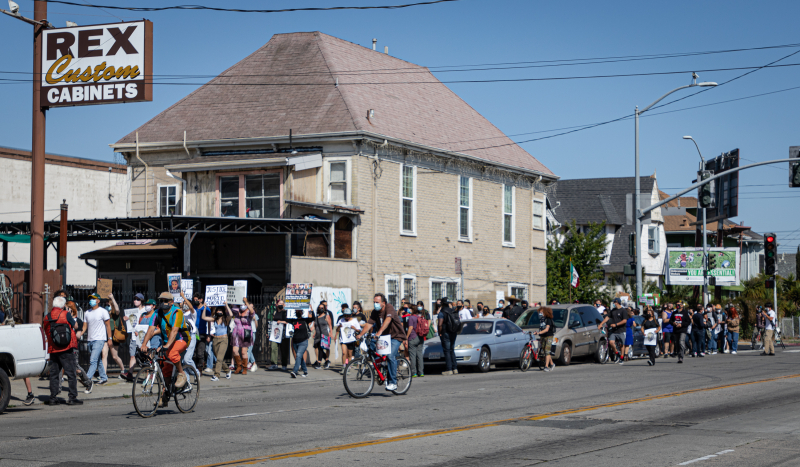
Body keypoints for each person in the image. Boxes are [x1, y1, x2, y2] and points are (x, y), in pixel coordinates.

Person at [141, 292, 190, 405]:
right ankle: (165, 397)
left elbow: (174, 330)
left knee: (172, 354)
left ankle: (182, 374)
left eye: (165, 300)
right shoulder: (157, 313)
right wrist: (144, 344)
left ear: (171, 302)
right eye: (161, 300)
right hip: (167, 342)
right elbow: (151, 329)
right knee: (165, 369)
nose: (163, 303)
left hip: (182, 339)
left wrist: (167, 346)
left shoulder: (177, 312)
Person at [357, 293, 406, 390]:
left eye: (377, 302)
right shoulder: (375, 312)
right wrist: (360, 334)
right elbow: (369, 324)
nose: (375, 304)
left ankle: (393, 382)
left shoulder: (389, 307)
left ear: (383, 303)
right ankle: (382, 367)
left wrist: (378, 333)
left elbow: (387, 320)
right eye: (374, 302)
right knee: (371, 346)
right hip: (384, 337)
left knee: (391, 355)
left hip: (396, 336)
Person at [43, 296, 83, 405]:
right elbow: (75, 326)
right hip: (67, 348)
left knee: (54, 374)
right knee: (71, 373)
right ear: (63, 306)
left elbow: (46, 331)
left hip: (53, 348)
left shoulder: (47, 317)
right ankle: (72, 397)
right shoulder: (66, 314)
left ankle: (52, 397)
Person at [83, 293, 113, 386]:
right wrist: (79, 333)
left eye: (93, 298)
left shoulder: (103, 311)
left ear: (98, 301)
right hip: (90, 340)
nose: (91, 300)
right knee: (98, 360)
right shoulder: (87, 312)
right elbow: (84, 326)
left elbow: (108, 326)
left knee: (93, 360)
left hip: (100, 339)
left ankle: (87, 379)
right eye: (90, 298)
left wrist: (110, 338)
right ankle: (104, 377)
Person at [66, 301, 93, 393]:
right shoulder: (64, 318)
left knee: (76, 367)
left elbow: (79, 335)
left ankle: (88, 382)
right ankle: (58, 389)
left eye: (67, 308)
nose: (65, 310)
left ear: (72, 310)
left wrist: (71, 331)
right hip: (65, 346)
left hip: (74, 346)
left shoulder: (78, 321)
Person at [202, 303, 232, 381]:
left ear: (223, 312)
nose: (219, 312)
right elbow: (203, 317)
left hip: (224, 339)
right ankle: (227, 371)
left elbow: (231, 314)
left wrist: (226, 305)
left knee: (219, 358)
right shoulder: (214, 319)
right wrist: (205, 308)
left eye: (220, 310)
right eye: (218, 310)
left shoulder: (226, 319)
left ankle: (216, 375)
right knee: (219, 358)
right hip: (215, 339)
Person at [121, 293, 147, 381]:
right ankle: (130, 374)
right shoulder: (132, 311)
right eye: (135, 299)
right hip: (133, 336)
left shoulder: (145, 311)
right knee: (132, 356)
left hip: (142, 337)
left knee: (145, 356)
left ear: (142, 301)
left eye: (138, 299)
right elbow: (131, 324)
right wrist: (126, 319)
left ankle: (148, 375)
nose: (136, 301)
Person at [105, 294, 128, 379]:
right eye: (106, 304)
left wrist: (112, 298)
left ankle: (123, 370)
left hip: (113, 335)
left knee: (114, 356)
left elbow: (117, 309)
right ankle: (103, 374)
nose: (107, 306)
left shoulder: (115, 314)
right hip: (105, 335)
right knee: (104, 355)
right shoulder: (104, 313)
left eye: (108, 304)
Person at [230, 298, 255, 375]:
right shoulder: (236, 311)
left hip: (245, 333)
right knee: (234, 350)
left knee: (244, 352)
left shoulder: (248, 312)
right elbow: (229, 311)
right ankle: (239, 366)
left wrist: (246, 302)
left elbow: (252, 312)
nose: (242, 306)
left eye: (244, 304)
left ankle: (244, 368)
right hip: (236, 333)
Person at [179, 290, 200, 375]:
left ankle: (196, 372)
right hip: (183, 337)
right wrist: (180, 307)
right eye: (183, 303)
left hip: (191, 336)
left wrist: (184, 297)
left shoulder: (192, 313)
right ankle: (186, 381)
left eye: (185, 303)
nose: (184, 304)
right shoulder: (181, 313)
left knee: (187, 359)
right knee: (183, 360)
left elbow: (191, 308)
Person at [288, 308, 314, 378]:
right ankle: (305, 371)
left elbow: (312, 318)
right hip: (295, 342)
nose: (298, 312)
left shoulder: (305, 320)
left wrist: (311, 309)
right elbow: (286, 319)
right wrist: (285, 309)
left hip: (303, 342)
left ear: (302, 312)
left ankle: (295, 371)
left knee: (298, 356)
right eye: (297, 311)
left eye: (299, 311)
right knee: (300, 358)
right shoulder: (293, 320)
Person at [334, 305, 361, 371]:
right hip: (343, 339)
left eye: (348, 315)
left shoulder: (354, 321)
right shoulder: (341, 320)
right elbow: (337, 330)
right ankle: (343, 366)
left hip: (351, 339)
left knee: (349, 354)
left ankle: (348, 367)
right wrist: (337, 330)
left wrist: (354, 328)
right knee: (344, 353)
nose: (347, 317)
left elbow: (359, 330)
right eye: (345, 315)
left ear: (351, 314)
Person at [437, 298, 459, 376]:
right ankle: (455, 368)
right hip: (453, 332)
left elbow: (440, 324)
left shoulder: (442, 312)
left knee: (447, 350)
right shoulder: (453, 310)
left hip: (445, 332)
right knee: (452, 350)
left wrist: (440, 333)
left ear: (442, 304)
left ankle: (449, 369)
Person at [192, 294, 214, 375]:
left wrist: (208, 334)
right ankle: (194, 368)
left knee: (200, 352)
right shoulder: (193, 308)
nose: (195, 301)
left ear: (201, 300)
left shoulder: (206, 309)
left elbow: (209, 322)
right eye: (194, 299)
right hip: (193, 333)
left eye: (197, 299)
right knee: (193, 352)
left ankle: (200, 368)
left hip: (202, 333)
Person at [269, 300, 292, 371]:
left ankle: (284, 365)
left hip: (284, 334)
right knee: (273, 348)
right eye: (280, 303)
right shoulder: (274, 312)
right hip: (275, 333)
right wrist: (268, 332)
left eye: (282, 303)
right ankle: (274, 364)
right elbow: (270, 322)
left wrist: (281, 322)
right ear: (276, 304)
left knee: (284, 350)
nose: (281, 305)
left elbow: (288, 322)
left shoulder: (286, 313)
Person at [406, 303, 426, 378]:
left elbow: (410, 328)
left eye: (409, 309)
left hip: (413, 337)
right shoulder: (419, 317)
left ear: (411, 310)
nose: (408, 310)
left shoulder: (411, 318)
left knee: (413, 355)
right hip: (420, 337)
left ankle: (414, 372)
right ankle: (421, 372)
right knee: (419, 355)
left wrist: (406, 337)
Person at [534, 307, 556, 371]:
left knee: (547, 350)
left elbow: (547, 329)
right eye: (539, 312)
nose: (540, 314)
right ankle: (552, 364)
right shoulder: (541, 320)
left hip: (549, 336)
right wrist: (538, 333)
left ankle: (546, 366)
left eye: (541, 312)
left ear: (545, 312)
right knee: (545, 350)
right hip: (543, 336)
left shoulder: (548, 319)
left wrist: (539, 332)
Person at [313, 301, 333, 369]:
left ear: (324, 309)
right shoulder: (316, 317)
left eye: (322, 308)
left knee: (322, 348)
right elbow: (315, 326)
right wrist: (314, 333)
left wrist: (331, 333)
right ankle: (327, 361)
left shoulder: (326, 316)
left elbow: (330, 325)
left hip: (324, 334)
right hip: (317, 335)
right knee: (317, 347)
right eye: (319, 308)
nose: (320, 309)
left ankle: (319, 362)